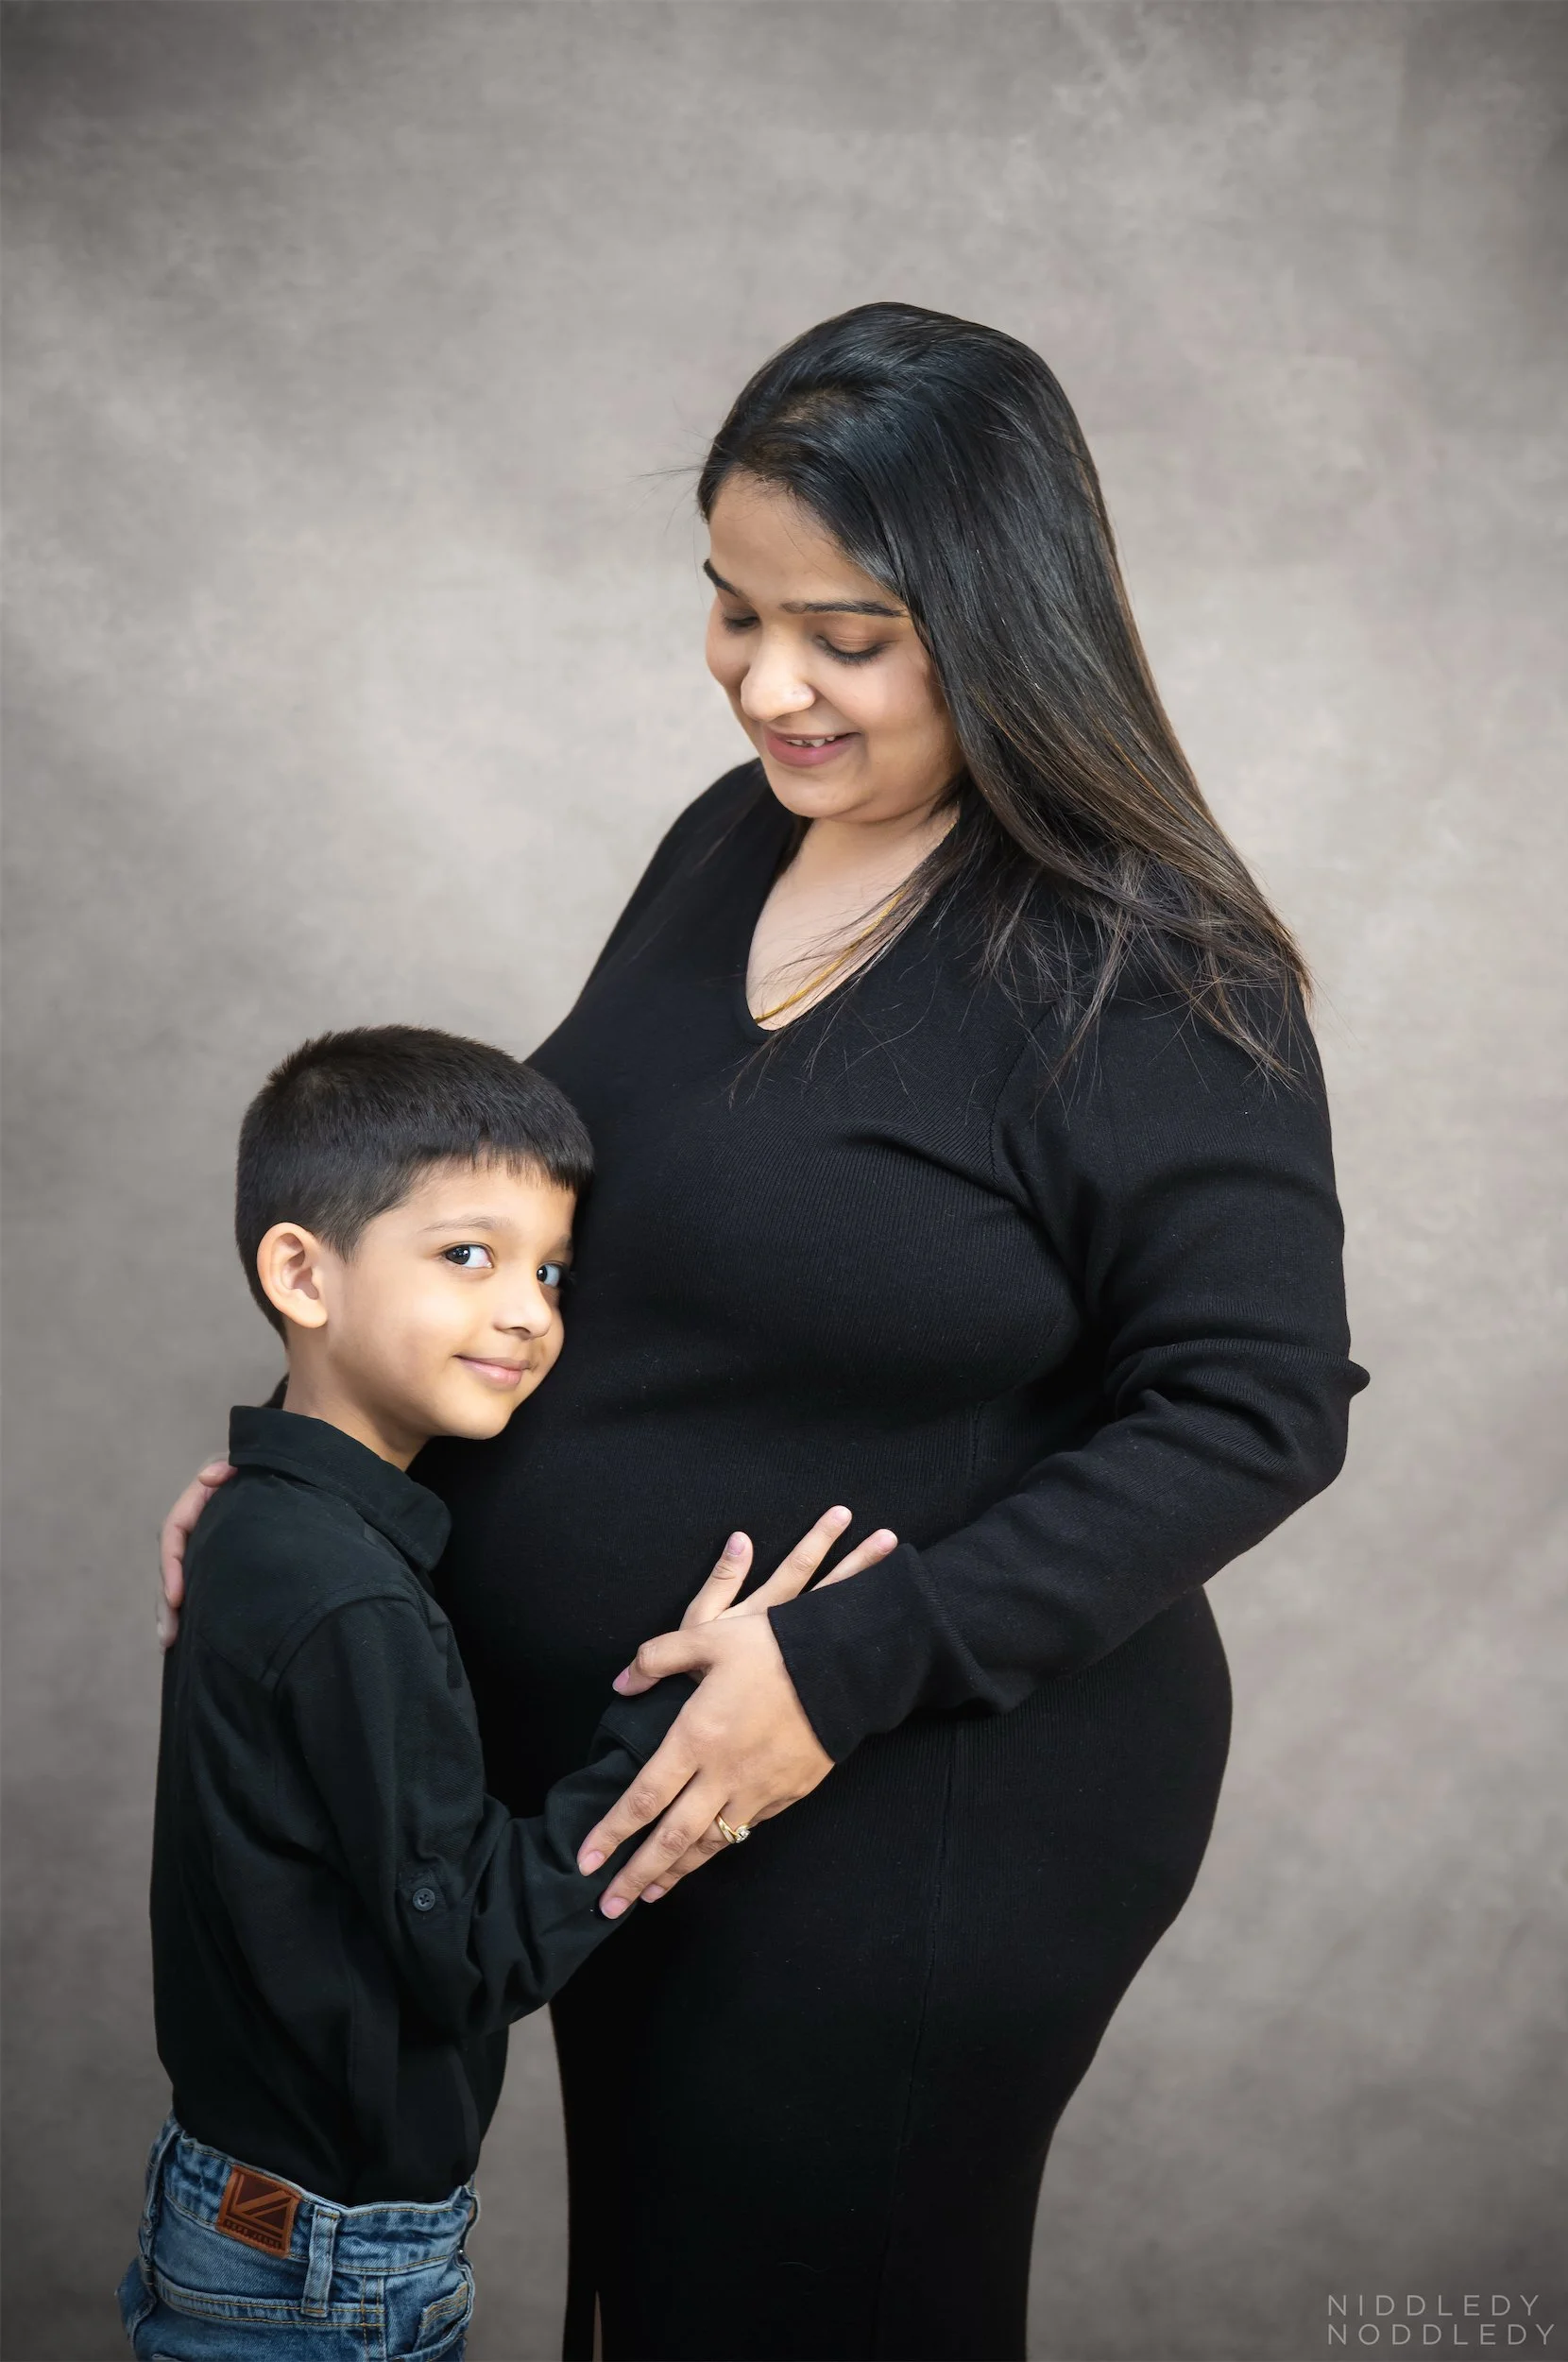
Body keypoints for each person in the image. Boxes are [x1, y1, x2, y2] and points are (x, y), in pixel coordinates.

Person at [161, 303, 1370, 2362]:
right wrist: (333, 1467)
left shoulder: (1142, 968)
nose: (768, 682)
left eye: (845, 632)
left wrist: (829, 1667)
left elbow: (1256, 1407)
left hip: (919, 1796)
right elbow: (599, 1254)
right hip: (636, 1783)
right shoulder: (735, 840)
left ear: (999, 619)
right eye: (730, 609)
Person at [127, 1024, 895, 2361]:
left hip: (244, 2206)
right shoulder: (346, 1596)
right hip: (325, 2262)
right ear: (301, 1274)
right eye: (467, 1256)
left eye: (550, 1269)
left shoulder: (261, 1526)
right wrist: (682, 1734)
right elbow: (475, 1949)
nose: (532, 1310)